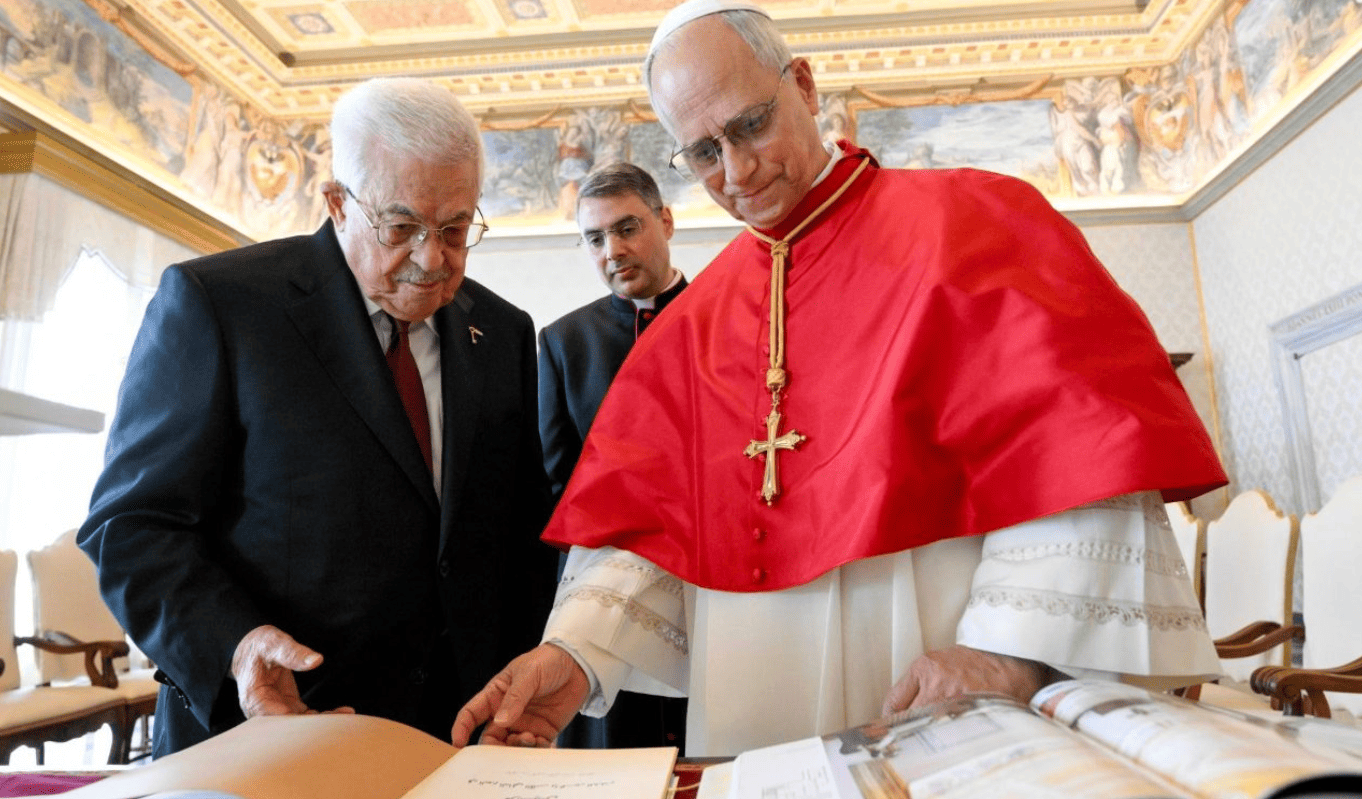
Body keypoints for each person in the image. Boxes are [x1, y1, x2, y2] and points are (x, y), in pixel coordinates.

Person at [452, 0, 1227, 757]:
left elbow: (1083, 451)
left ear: (806, 85)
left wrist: (1009, 653)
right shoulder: (691, 327)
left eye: (751, 124)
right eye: (703, 152)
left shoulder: (978, 224)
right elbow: (650, 525)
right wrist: (577, 650)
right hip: (761, 717)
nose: (738, 169)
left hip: (954, 694)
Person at [78, 77, 558, 756]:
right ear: (338, 203)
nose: (433, 260)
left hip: (453, 741)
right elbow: (130, 525)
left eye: (456, 229)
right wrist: (236, 645)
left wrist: (521, 683)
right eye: (402, 228)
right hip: (271, 732)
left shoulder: (503, 332)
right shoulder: (223, 305)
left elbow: (516, 537)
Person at [537, 163, 689, 749]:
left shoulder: (731, 316)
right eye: (596, 239)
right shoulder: (563, 342)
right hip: (605, 585)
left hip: (708, 585)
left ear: (666, 221)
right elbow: (556, 484)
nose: (613, 250)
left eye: (627, 229)